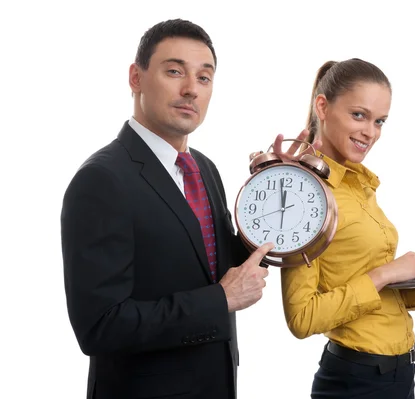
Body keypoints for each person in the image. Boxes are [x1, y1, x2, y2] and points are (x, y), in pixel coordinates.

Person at [60, 19, 305, 399]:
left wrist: (279, 187)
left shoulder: (204, 168)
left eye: (204, 78)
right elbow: (100, 326)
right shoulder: (101, 180)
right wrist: (220, 301)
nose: (190, 89)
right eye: (174, 71)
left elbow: (219, 262)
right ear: (135, 78)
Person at [280, 58, 415, 399]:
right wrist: (387, 273)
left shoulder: (356, 182)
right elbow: (302, 317)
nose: (370, 132)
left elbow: (364, 283)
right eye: (359, 115)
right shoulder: (305, 195)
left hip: (396, 375)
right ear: (323, 106)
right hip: (356, 382)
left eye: (380, 121)